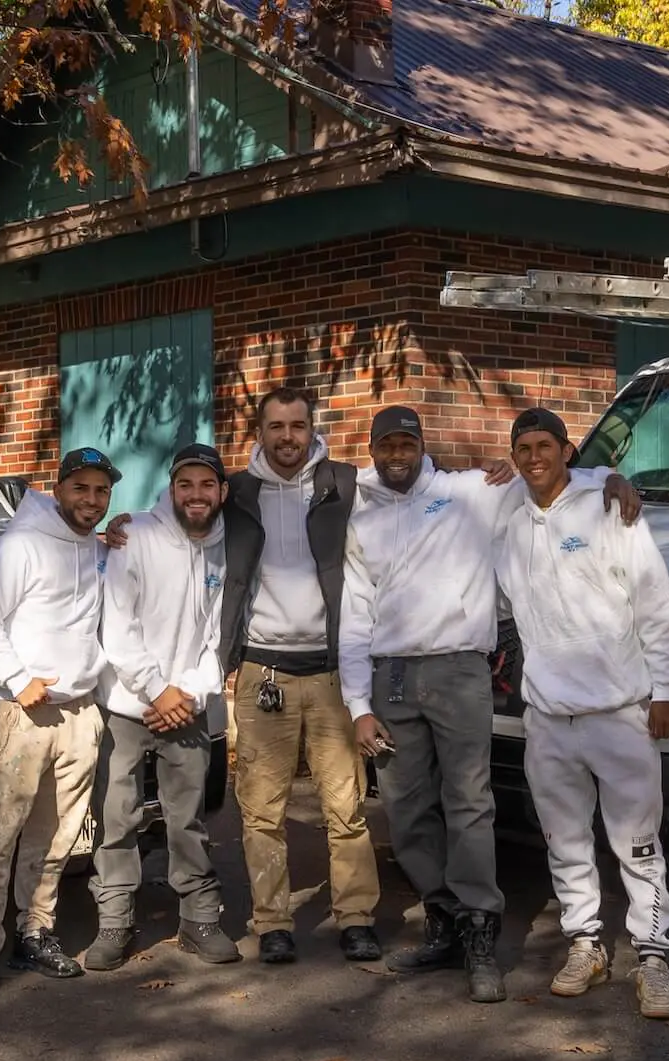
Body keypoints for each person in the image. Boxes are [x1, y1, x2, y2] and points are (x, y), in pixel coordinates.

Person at [341, 405, 640, 1004]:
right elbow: (354, 611)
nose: (397, 456)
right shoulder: (363, 516)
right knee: (406, 808)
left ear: (422, 445)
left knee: (469, 802)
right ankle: (444, 920)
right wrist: (357, 704)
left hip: (458, 670)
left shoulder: (472, 491)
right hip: (391, 678)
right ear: (373, 451)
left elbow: (545, 477)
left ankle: (481, 929)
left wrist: (606, 478)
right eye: (386, 447)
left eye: (406, 444)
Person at [492, 407, 669, 1019]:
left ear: (567, 450)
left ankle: (653, 957)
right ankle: (586, 945)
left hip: (619, 710)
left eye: (544, 445)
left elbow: (654, 601)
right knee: (566, 840)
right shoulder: (508, 518)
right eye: (522, 447)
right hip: (548, 716)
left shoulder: (610, 507)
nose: (532, 457)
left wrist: (666, 692)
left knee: (637, 842)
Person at [221, 387, 381, 965]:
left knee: (347, 807)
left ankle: (357, 915)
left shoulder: (344, 482)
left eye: (297, 426)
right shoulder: (236, 492)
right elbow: (176, 514)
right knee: (262, 810)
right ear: (258, 433)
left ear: (312, 428)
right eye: (275, 427)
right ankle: (273, 922)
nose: (287, 437)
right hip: (265, 672)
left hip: (334, 673)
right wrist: (123, 527)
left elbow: (421, 493)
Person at [0, 447, 119, 999]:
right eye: (82, 489)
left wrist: (122, 533)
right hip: (21, 711)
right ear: (61, 487)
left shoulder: (97, 549)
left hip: (78, 712)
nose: (91, 501)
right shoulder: (19, 545)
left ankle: (35, 932)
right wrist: (17, 679)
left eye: (101, 491)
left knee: (57, 836)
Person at [86, 443, 240, 970]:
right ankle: (114, 919)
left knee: (188, 818)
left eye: (206, 485)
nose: (196, 495)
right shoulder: (136, 538)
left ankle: (199, 917)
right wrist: (157, 690)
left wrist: (190, 693)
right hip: (128, 705)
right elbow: (118, 625)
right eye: (185, 485)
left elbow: (219, 638)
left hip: (188, 706)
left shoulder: (226, 546)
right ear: (171, 489)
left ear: (222, 491)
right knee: (116, 817)